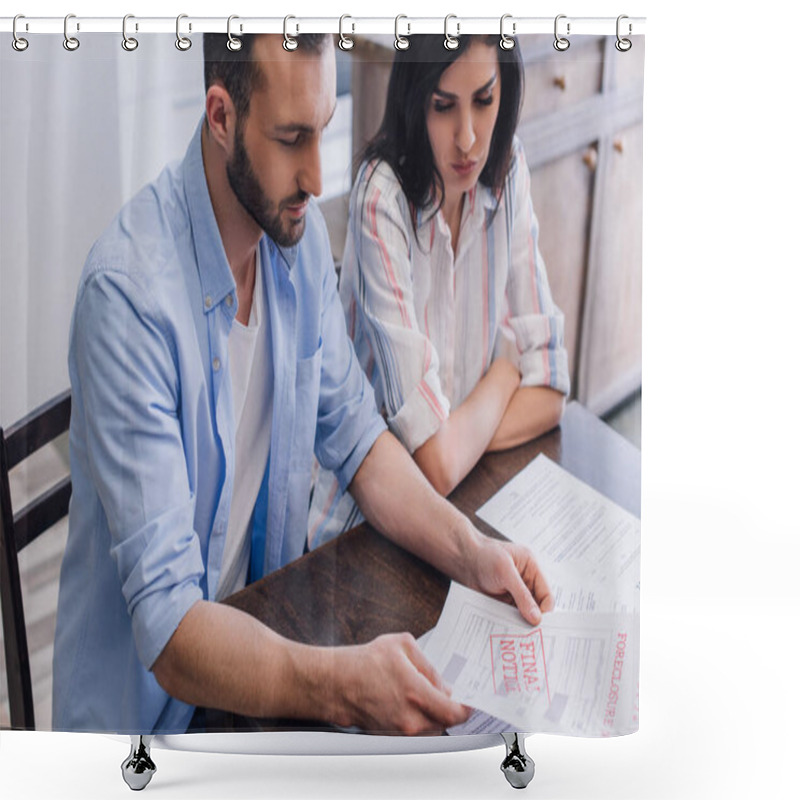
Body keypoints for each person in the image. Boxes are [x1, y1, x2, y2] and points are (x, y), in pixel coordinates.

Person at [52, 33, 553, 736]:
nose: (318, 177)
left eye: (322, 130)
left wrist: (474, 553)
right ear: (221, 116)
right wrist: (340, 685)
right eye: (292, 139)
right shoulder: (127, 299)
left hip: (264, 642)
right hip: (152, 719)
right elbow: (167, 629)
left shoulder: (298, 240)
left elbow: (358, 439)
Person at [309, 36, 570, 546]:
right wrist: (505, 374)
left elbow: (553, 392)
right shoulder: (380, 196)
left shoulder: (507, 167)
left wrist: (456, 441)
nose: (469, 138)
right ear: (415, 100)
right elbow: (434, 464)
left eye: (484, 100)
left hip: (469, 497)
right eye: (443, 106)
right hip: (358, 528)